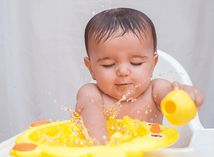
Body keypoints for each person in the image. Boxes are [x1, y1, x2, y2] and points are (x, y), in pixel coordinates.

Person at [75, 8, 204, 144]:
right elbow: (90, 116)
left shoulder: (156, 90)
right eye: (108, 64)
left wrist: (186, 95)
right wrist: (103, 149)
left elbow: (172, 97)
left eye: (136, 63)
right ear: (91, 68)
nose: (123, 71)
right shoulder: (91, 93)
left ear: (153, 64)